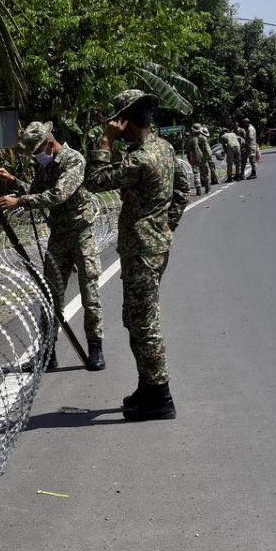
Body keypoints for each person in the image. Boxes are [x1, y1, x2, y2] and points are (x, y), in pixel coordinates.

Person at [84, 90, 190, 421]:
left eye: (117, 120)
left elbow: (94, 180)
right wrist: (165, 226)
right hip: (153, 246)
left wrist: (106, 140)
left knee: (144, 322)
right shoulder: (163, 148)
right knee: (134, 317)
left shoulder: (140, 160)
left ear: (125, 121)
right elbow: (183, 188)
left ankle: (160, 396)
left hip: (142, 251)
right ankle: (147, 386)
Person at [0, 120, 105, 372]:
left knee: (89, 292)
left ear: (49, 142)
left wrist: (20, 200)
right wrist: (13, 182)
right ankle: (48, 351)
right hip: (59, 234)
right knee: (50, 295)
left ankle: (95, 346)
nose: (35, 156)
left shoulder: (73, 160)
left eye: (36, 151)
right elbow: (35, 191)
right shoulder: (45, 166)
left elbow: (57, 195)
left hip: (81, 232)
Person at [186, 123, 213, 195]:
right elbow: (208, 149)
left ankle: (198, 189)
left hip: (195, 158)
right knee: (206, 173)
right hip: (204, 158)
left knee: (196, 174)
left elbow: (188, 151)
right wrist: (209, 157)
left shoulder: (191, 139)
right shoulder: (203, 138)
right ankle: (207, 187)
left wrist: (189, 158)